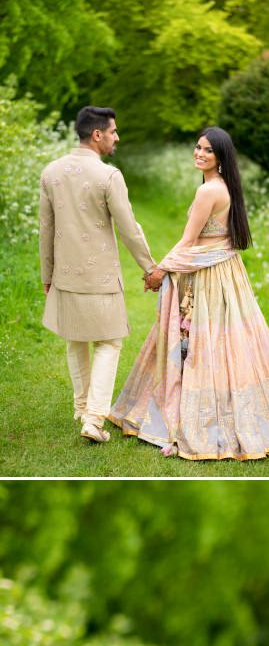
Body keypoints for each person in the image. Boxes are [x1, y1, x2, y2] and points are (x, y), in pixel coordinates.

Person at [109, 126, 269, 460]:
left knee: (207, 343)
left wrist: (159, 272)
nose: (199, 153)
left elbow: (188, 242)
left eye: (208, 150)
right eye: (197, 148)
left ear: (221, 156)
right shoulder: (226, 186)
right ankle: (236, 410)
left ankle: (205, 418)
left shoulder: (208, 191)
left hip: (211, 276)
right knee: (230, 343)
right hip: (227, 272)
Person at [38, 106, 159, 444]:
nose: (116, 137)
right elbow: (129, 229)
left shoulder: (51, 172)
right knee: (109, 342)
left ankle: (81, 407)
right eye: (113, 131)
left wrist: (47, 274)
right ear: (97, 134)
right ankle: (93, 418)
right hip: (101, 280)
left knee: (75, 338)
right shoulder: (109, 176)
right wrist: (150, 269)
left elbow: (45, 230)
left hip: (64, 275)